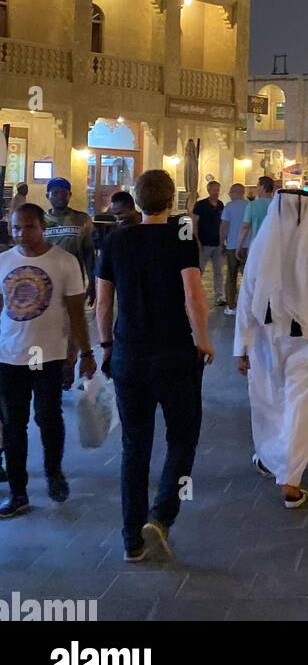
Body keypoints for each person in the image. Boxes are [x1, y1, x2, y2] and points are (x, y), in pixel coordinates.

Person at [95, 169, 214, 561]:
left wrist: (107, 345)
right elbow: (193, 294)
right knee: (182, 439)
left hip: (130, 356)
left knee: (134, 447)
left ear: (137, 199)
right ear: (170, 201)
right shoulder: (180, 237)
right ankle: (162, 515)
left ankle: (131, 539)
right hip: (175, 355)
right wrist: (202, 340)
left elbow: (104, 303)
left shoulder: (114, 240)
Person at [234, 190, 308, 508]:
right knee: (303, 404)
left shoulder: (261, 247)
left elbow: (246, 298)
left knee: (269, 400)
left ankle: (274, 460)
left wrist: (240, 346)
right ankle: (289, 477)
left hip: (265, 339)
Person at [0, 203, 96, 518]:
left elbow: (75, 312)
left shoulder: (64, 262)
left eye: (28, 226)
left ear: (43, 226)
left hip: (48, 355)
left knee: (48, 417)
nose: (20, 233)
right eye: (15, 227)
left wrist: (85, 352)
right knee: (13, 425)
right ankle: (18, 492)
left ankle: (53, 472)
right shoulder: (3, 262)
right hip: (8, 357)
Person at [44, 178, 96, 320]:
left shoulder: (82, 219)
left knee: (73, 322)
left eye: (64, 193)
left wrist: (92, 282)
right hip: (46, 281)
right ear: (47, 195)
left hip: (74, 281)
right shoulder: (40, 221)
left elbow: (89, 253)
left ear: (70, 195)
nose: (60, 196)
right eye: (55, 193)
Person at [192, 180, 225, 308]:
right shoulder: (200, 205)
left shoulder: (221, 205)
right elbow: (194, 223)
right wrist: (197, 240)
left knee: (218, 271)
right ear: (209, 190)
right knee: (199, 270)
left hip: (217, 243)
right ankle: (195, 295)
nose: (216, 192)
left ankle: (219, 295)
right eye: (214, 189)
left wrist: (223, 241)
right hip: (204, 242)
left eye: (218, 189)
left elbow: (222, 223)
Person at [220, 183, 248, 315]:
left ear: (235, 192)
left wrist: (221, 243)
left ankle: (231, 306)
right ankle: (249, 303)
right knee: (248, 275)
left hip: (232, 245)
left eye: (231, 192)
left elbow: (224, 226)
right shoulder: (250, 205)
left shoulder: (229, 207)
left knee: (231, 276)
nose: (230, 195)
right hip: (248, 245)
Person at [236, 175, 275, 262]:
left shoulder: (252, 205)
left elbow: (245, 227)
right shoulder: (278, 205)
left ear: (262, 187)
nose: (256, 189)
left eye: (258, 186)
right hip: (274, 245)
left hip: (258, 244)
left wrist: (239, 245)